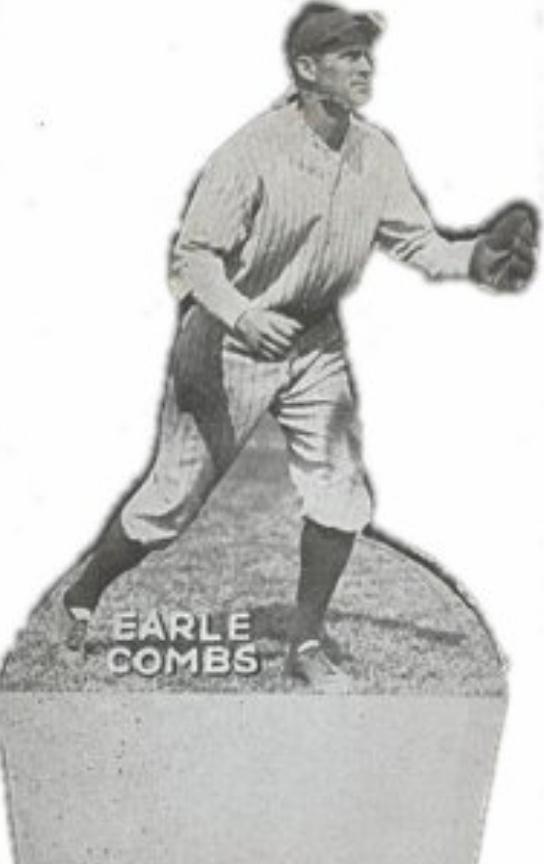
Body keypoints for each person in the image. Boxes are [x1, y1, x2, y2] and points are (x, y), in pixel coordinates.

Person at [62, 2, 537, 690]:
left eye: (367, 53)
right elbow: (195, 256)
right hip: (227, 340)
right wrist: (241, 314)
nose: (365, 65)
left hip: (314, 343)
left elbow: (418, 242)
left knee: (339, 490)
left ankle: (305, 644)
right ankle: (83, 596)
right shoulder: (250, 152)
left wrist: (474, 258)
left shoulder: (375, 151)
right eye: (348, 55)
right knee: (169, 503)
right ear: (307, 69)